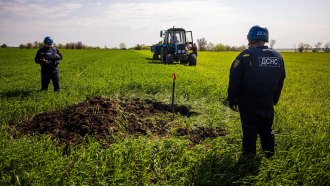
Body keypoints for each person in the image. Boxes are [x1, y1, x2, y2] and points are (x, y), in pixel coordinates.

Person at [227, 25, 286, 158]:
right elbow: (281, 80)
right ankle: (270, 156)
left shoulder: (244, 56)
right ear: (265, 39)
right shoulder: (277, 57)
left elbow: (234, 80)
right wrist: (274, 99)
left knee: (249, 131)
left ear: (250, 39)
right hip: (267, 103)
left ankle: (248, 160)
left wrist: (232, 99)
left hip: (248, 104)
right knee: (267, 130)